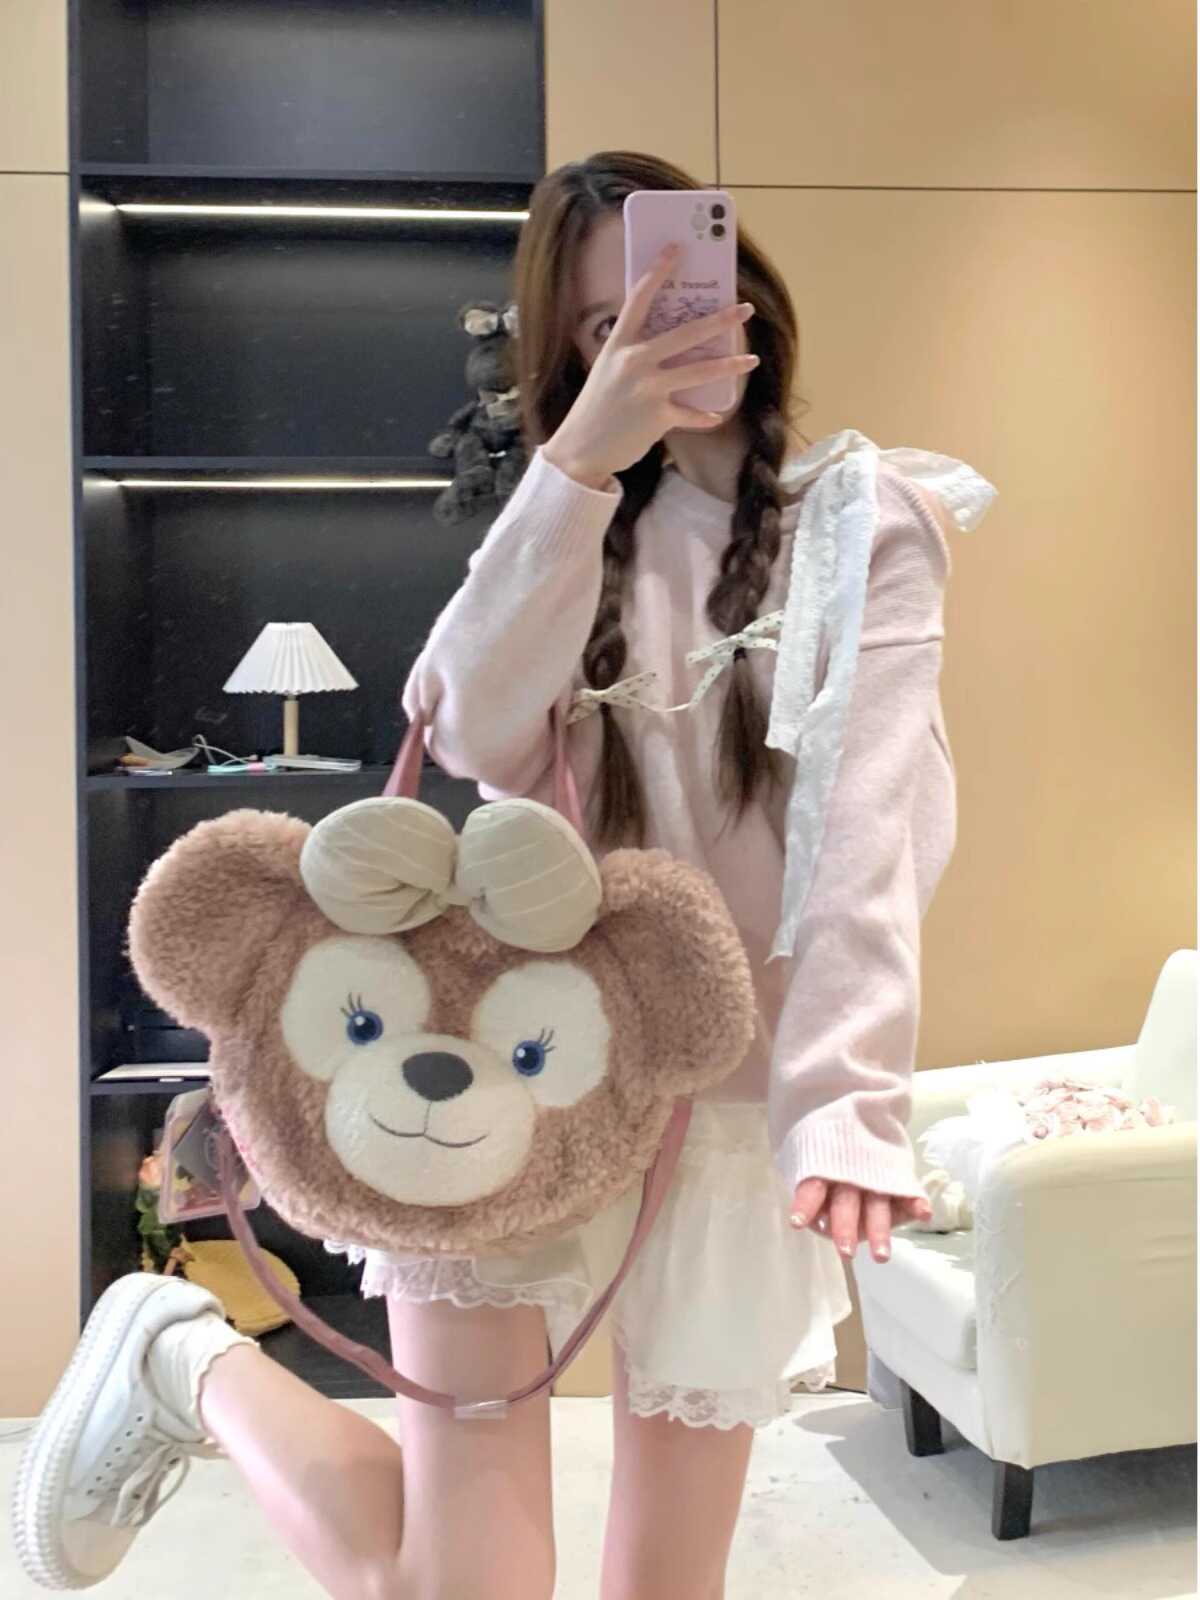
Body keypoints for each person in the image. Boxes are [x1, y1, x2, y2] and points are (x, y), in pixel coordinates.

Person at [13, 149, 999, 1600]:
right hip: (511, 1062)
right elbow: (470, 728)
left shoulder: (868, 519)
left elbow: (869, 831)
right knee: (464, 1588)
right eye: (606, 323)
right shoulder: (566, 520)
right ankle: (185, 1360)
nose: (654, 334)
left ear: (747, 294)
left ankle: (177, 1361)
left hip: (725, 1089)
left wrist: (843, 1099)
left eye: (678, 291)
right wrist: (579, 467)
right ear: (568, 354)